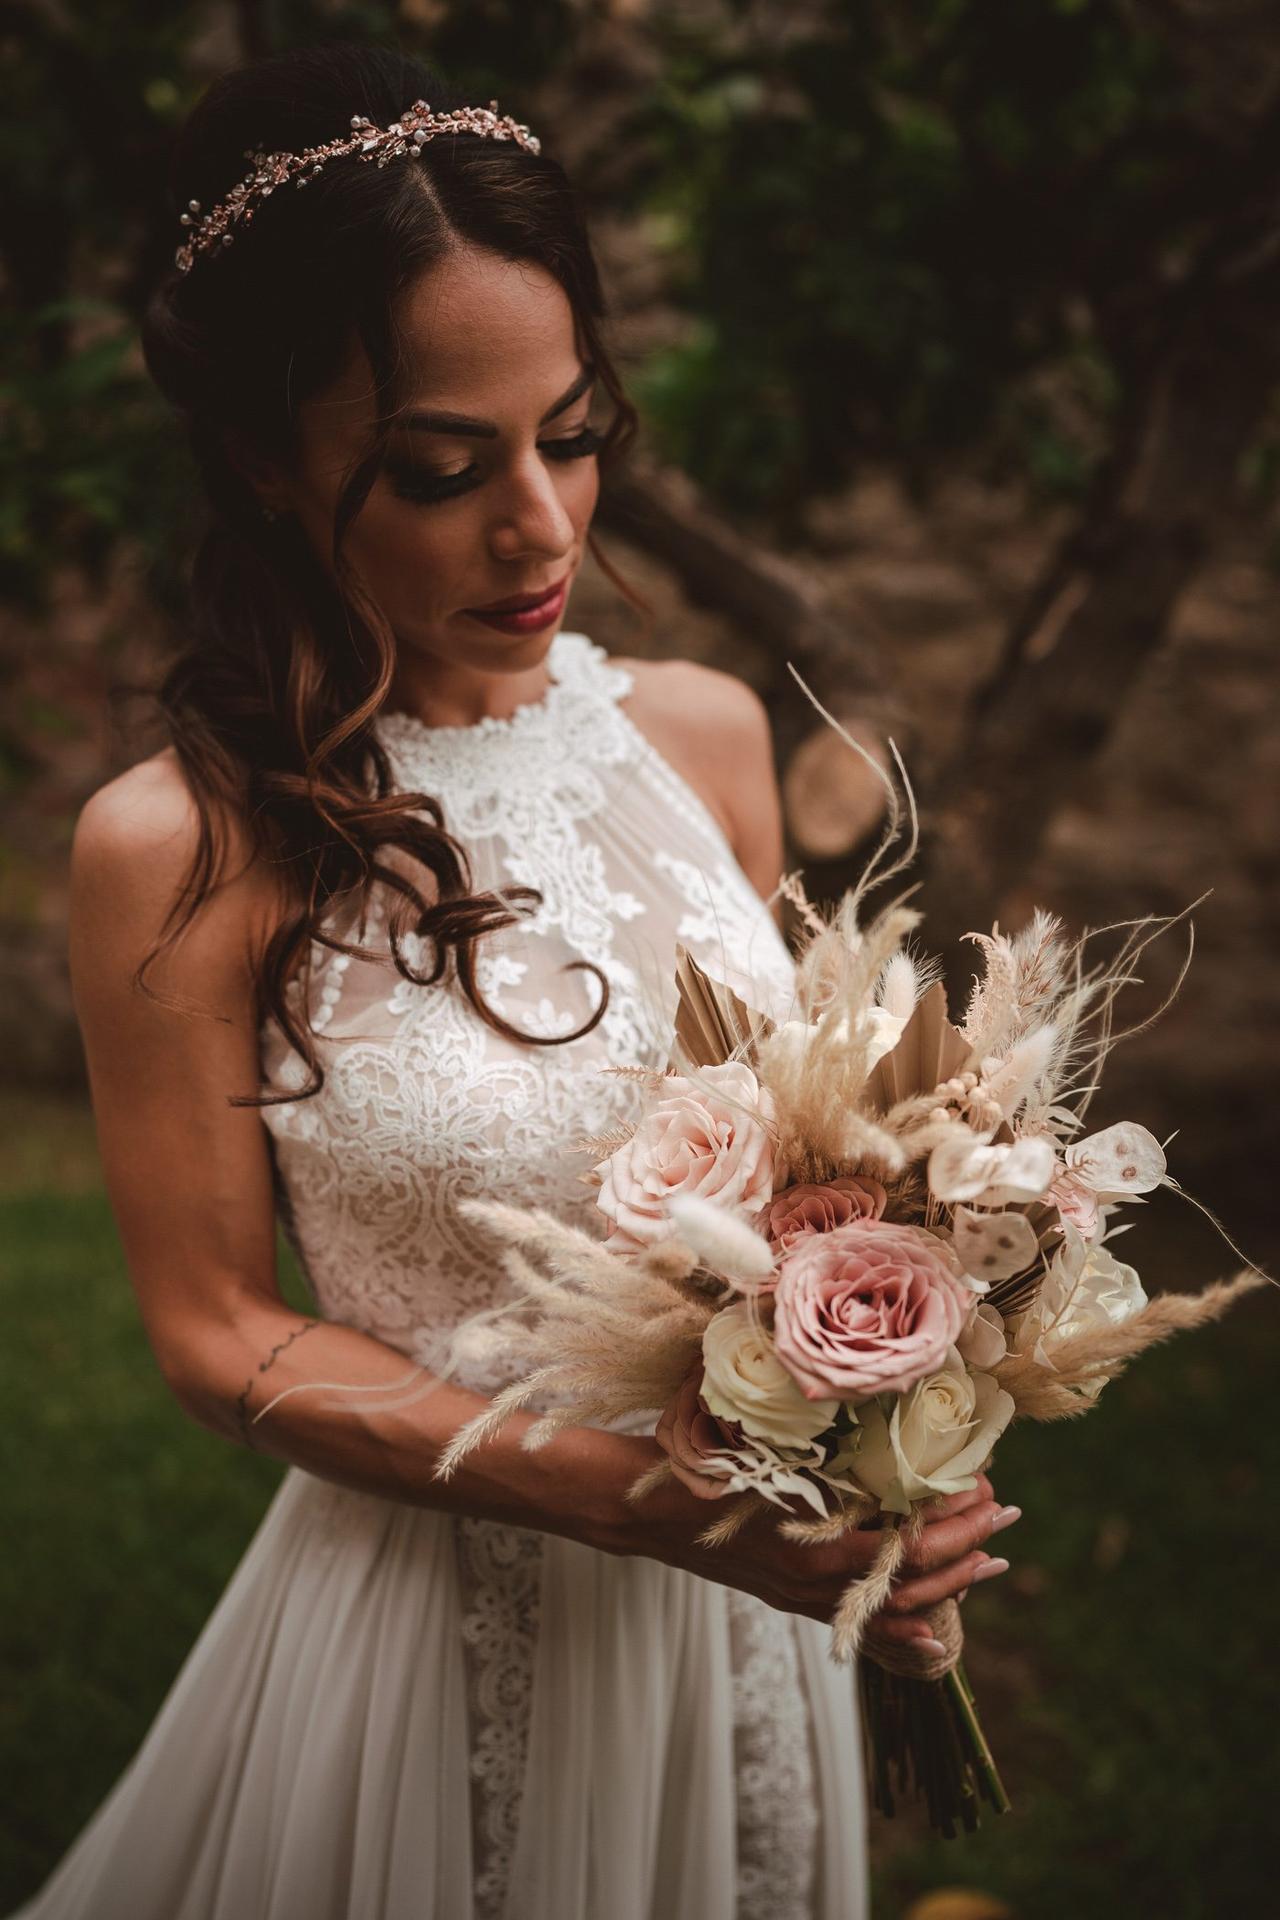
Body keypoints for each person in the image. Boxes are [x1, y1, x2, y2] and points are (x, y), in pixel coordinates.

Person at [13, 41, 1019, 1920]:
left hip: (763, 1637)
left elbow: (818, 1166)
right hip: (441, 1635)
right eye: (438, 468)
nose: (545, 526)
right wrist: (655, 1508)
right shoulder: (178, 846)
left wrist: (905, 1414)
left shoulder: (709, 738)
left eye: (570, 434)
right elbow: (219, 1333)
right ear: (259, 459)